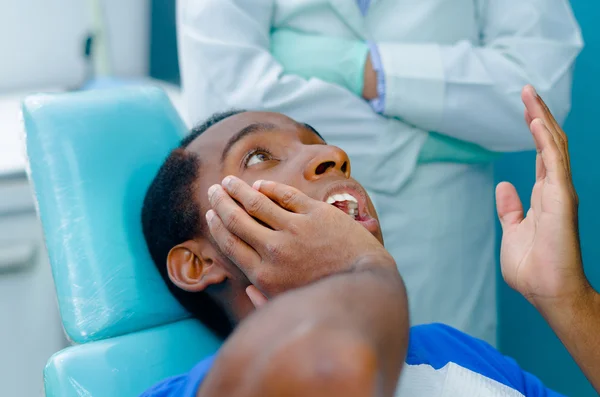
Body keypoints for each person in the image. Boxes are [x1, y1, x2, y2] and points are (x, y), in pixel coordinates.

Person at [139, 86, 595, 396]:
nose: (331, 156)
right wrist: (361, 268)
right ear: (197, 264)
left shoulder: (454, 351)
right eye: (257, 155)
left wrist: (567, 297)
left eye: (319, 144)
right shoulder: (205, 388)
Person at [177, 0, 584, 344]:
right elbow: (227, 107)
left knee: (456, 371)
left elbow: (536, 98)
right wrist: (429, 142)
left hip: (440, 252)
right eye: (261, 157)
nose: (333, 157)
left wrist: (358, 67)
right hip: (305, 259)